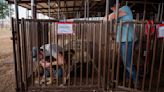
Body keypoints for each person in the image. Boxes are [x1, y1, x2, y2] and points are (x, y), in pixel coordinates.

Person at [104, 0, 137, 86]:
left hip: (127, 40)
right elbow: (107, 18)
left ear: (117, 4)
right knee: (126, 62)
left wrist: (112, 15)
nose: (113, 9)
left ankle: (136, 82)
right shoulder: (117, 12)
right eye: (112, 8)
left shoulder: (125, 8)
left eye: (113, 7)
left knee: (128, 64)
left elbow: (110, 17)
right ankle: (127, 80)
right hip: (123, 41)